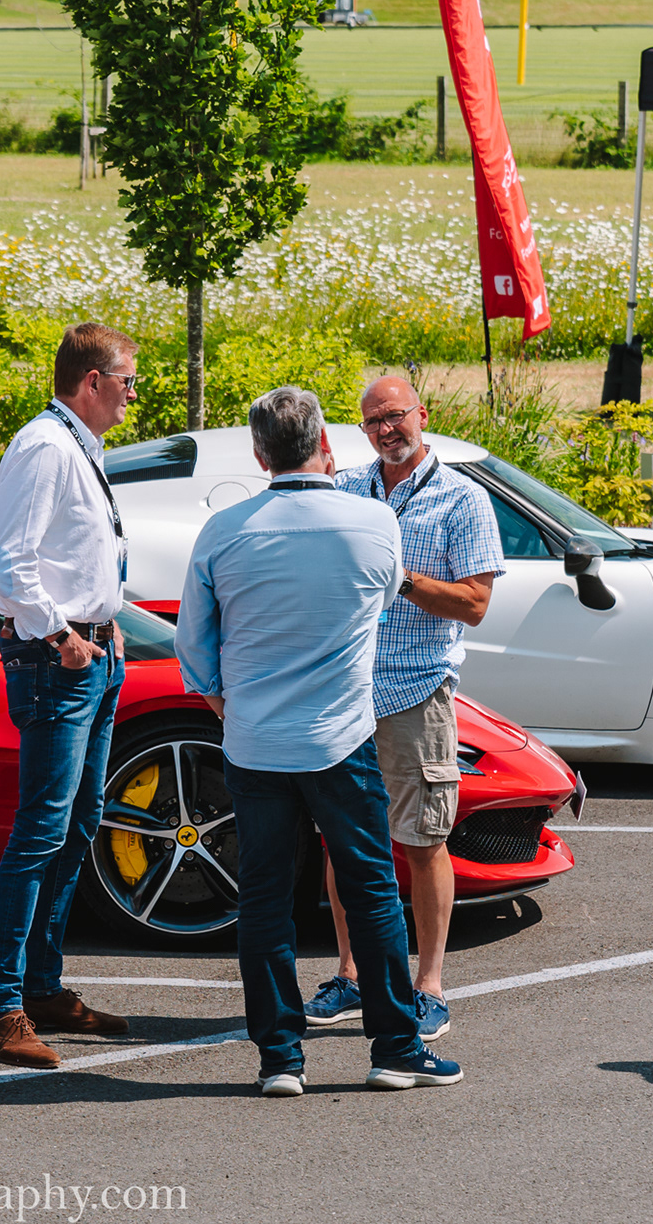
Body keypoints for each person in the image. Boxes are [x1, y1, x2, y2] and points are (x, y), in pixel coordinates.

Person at [176, 385, 461, 1095]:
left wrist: (231, 708)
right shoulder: (373, 522)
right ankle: (395, 1046)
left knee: (264, 900)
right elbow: (384, 599)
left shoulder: (223, 531)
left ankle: (280, 1058)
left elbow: (194, 650)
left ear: (259, 454)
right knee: (372, 891)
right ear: (325, 445)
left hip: (255, 741)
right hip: (341, 735)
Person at [305, 376, 505, 1043]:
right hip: (344, 691)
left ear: (423, 414)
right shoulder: (346, 489)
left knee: (423, 841)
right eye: (374, 421)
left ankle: (429, 986)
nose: (387, 430)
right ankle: (351, 974)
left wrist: (402, 578)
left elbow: (475, 603)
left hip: (416, 691)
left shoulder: (462, 498)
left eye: (395, 416)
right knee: (341, 839)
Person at [0, 321, 139, 1069]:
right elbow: (8, 562)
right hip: (58, 659)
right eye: (127, 381)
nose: (133, 395)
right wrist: (62, 635)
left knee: (77, 826)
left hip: (92, 651)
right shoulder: (45, 446)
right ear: (92, 381)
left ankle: (41, 988)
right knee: (41, 831)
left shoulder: (79, 443)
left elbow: (77, 551)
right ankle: (0, 1008)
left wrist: (105, 623)